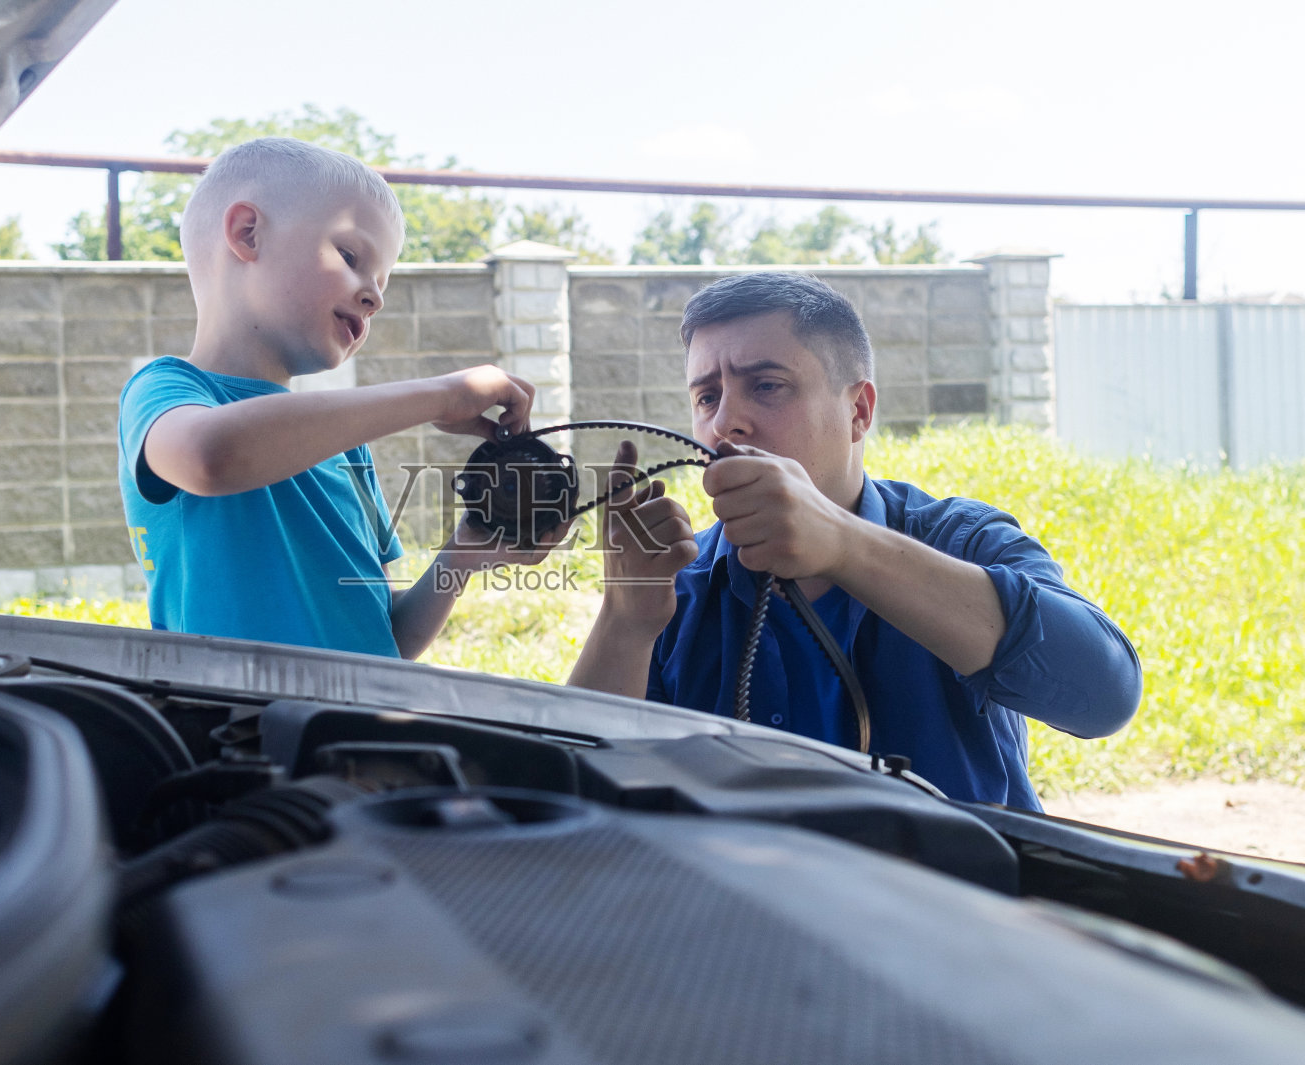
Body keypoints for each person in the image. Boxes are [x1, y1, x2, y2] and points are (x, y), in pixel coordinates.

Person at [568, 272, 1141, 809]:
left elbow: (1104, 695)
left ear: (859, 411)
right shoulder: (680, 585)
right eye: (707, 398)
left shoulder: (959, 541)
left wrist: (844, 545)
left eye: (767, 386)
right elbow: (573, 804)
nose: (726, 424)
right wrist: (625, 619)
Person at [118, 138, 555, 659]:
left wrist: (465, 551)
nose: (375, 296)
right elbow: (212, 457)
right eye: (350, 256)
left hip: (358, 732)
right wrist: (443, 395)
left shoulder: (347, 448)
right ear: (247, 233)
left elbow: (384, 638)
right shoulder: (167, 391)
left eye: (381, 282)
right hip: (239, 733)